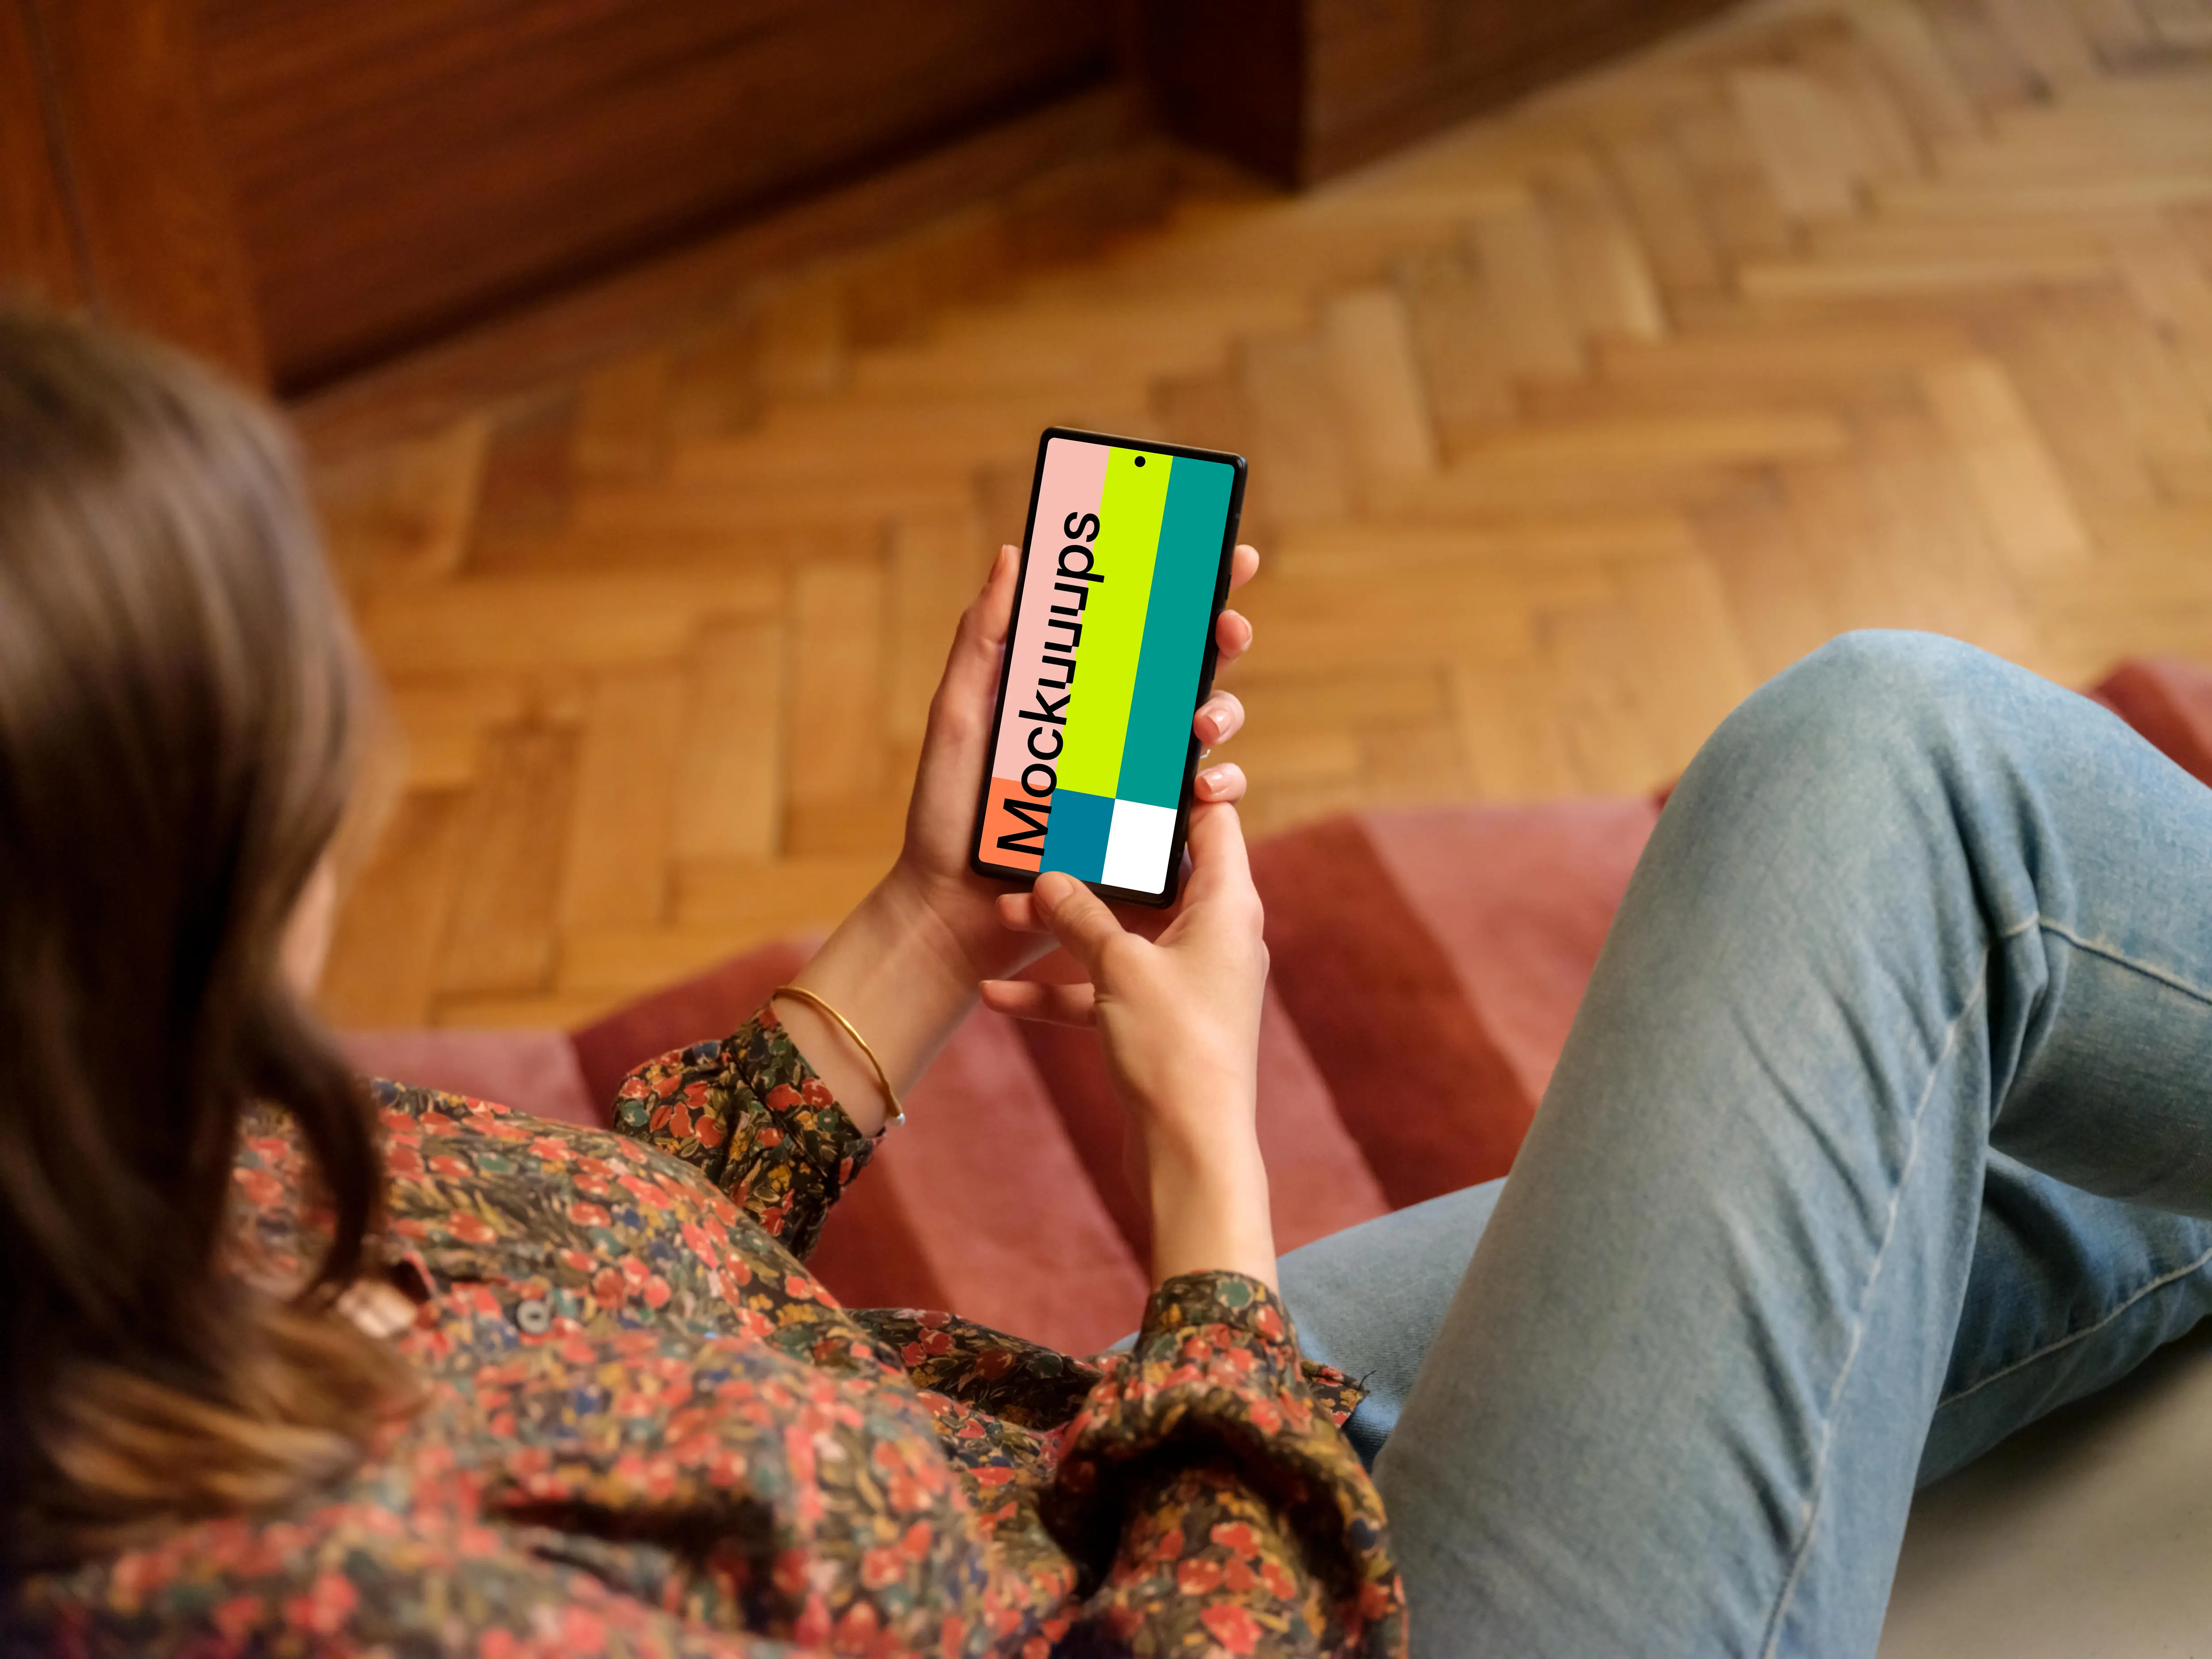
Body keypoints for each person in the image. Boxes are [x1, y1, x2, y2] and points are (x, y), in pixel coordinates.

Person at [7, 312, 2212, 1659]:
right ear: (137, 891)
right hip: (1229, 1584)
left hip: (1100, 1483)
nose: (355, 742)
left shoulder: (131, 1175)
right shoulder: (304, 1605)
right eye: (289, 710)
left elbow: (574, 1283)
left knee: (1929, 1181)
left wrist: (919, 925)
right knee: (1885, 769)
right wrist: (1203, 1185)